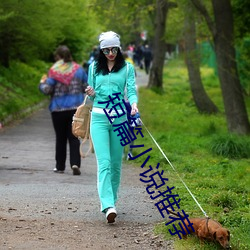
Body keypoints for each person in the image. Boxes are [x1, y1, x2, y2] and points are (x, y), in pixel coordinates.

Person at [85, 31, 138, 223]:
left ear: (119, 48)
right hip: (98, 118)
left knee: (116, 164)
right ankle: (107, 205)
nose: (110, 53)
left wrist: (133, 104)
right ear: (101, 50)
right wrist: (90, 92)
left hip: (120, 119)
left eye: (114, 49)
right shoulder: (93, 68)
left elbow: (131, 90)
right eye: (106, 50)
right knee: (104, 163)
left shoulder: (127, 68)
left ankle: (112, 201)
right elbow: (91, 97)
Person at [39, 45, 88, 175]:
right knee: (74, 137)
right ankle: (75, 163)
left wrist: (42, 83)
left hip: (58, 109)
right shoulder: (79, 70)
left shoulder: (54, 71)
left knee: (60, 138)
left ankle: (60, 166)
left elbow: (47, 90)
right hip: (75, 109)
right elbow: (86, 87)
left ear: (58, 57)